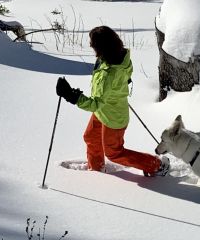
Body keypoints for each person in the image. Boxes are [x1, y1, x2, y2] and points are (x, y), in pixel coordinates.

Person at [56, 26, 171, 177]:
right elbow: (127, 73)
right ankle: (96, 170)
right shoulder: (120, 56)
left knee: (114, 153)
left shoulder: (109, 74)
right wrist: (118, 88)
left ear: (103, 46)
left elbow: (95, 103)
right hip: (104, 110)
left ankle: (157, 165)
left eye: (93, 43)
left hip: (114, 118)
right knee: (91, 137)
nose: (90, 45)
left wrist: (71, 95)